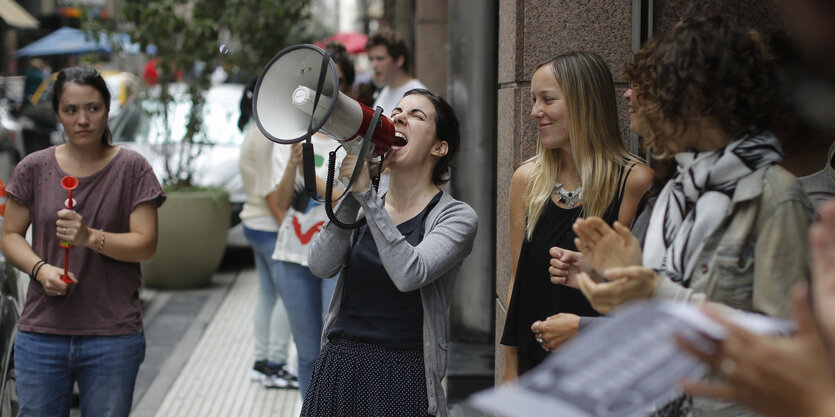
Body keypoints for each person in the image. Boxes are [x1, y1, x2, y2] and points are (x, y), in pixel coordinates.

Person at [571, 16, 815, 416]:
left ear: (698, 100)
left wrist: (653, 290)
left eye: (659, 92)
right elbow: (658, 326)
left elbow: (785, 351)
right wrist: (624, 282)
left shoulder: (775, 198)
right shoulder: (680, 191)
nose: (640, 102)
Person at [0, 66, 166, 416]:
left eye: (93, 108)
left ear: (108, 109)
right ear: (58, 115)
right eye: (70, 110)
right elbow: (10, 234)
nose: (83, 120)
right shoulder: (34, 167)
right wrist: (41, 269)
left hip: (112, 335)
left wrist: (90, 237)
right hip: (41, 333)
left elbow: (146, 244)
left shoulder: (133, 169)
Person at [302, 88, 478, 417]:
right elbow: (320, 264)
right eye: (397, 112)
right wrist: (356, 192)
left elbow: (409, 273)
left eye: (416, 115)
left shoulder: (457, 217)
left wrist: (367, 197)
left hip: (401, 377)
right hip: (338, 368)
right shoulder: (368, 204)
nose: (399, 118)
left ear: (440, 147)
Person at [500, 51, 653, 380]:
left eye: (548, 100)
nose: (534, 111)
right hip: (534, 370)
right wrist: (509, 372)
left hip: (600, 371)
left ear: (584, 103)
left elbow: (628, 288)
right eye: (533, 99)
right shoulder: (527, 179)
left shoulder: (633, 181)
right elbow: (518, 282)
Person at [268, 41, 355, 398]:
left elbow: (356, 200)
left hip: (336, 256)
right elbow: (279, 202)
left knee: (331, 351)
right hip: (292, 255)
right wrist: (293, 166)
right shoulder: (287, 134)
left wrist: (317, 182)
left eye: (332, 83)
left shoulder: (352, 137)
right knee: (305, 354)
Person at [238, 79, 297, 389]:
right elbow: (270, 192)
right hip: (268, 226)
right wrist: (291, 231)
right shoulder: (266, 136)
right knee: (287, 296)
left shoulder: (254, 128)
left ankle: (263, 362)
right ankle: (274, 364)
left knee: (267, 294)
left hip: (256, 224)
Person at [366, 28, 427, 116]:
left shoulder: (418, 95)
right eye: (371, 59)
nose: (374, 65)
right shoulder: (385, 91)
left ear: (399, 60)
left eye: (380, 58)